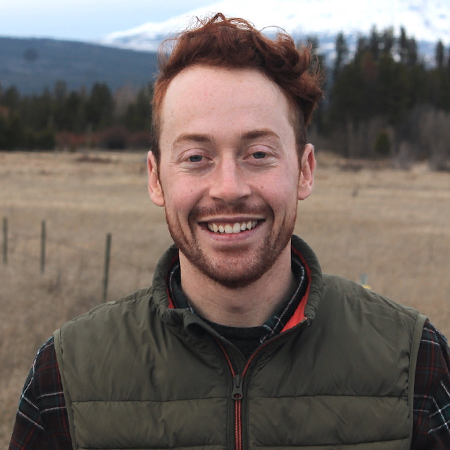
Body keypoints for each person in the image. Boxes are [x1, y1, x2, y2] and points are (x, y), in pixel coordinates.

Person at [9, 13, 450, 450]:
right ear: (156, 178)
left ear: (305, 170)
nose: (228, 189)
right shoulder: (67, 375)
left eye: (258, 153)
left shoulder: (414, 361)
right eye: (196, 157)